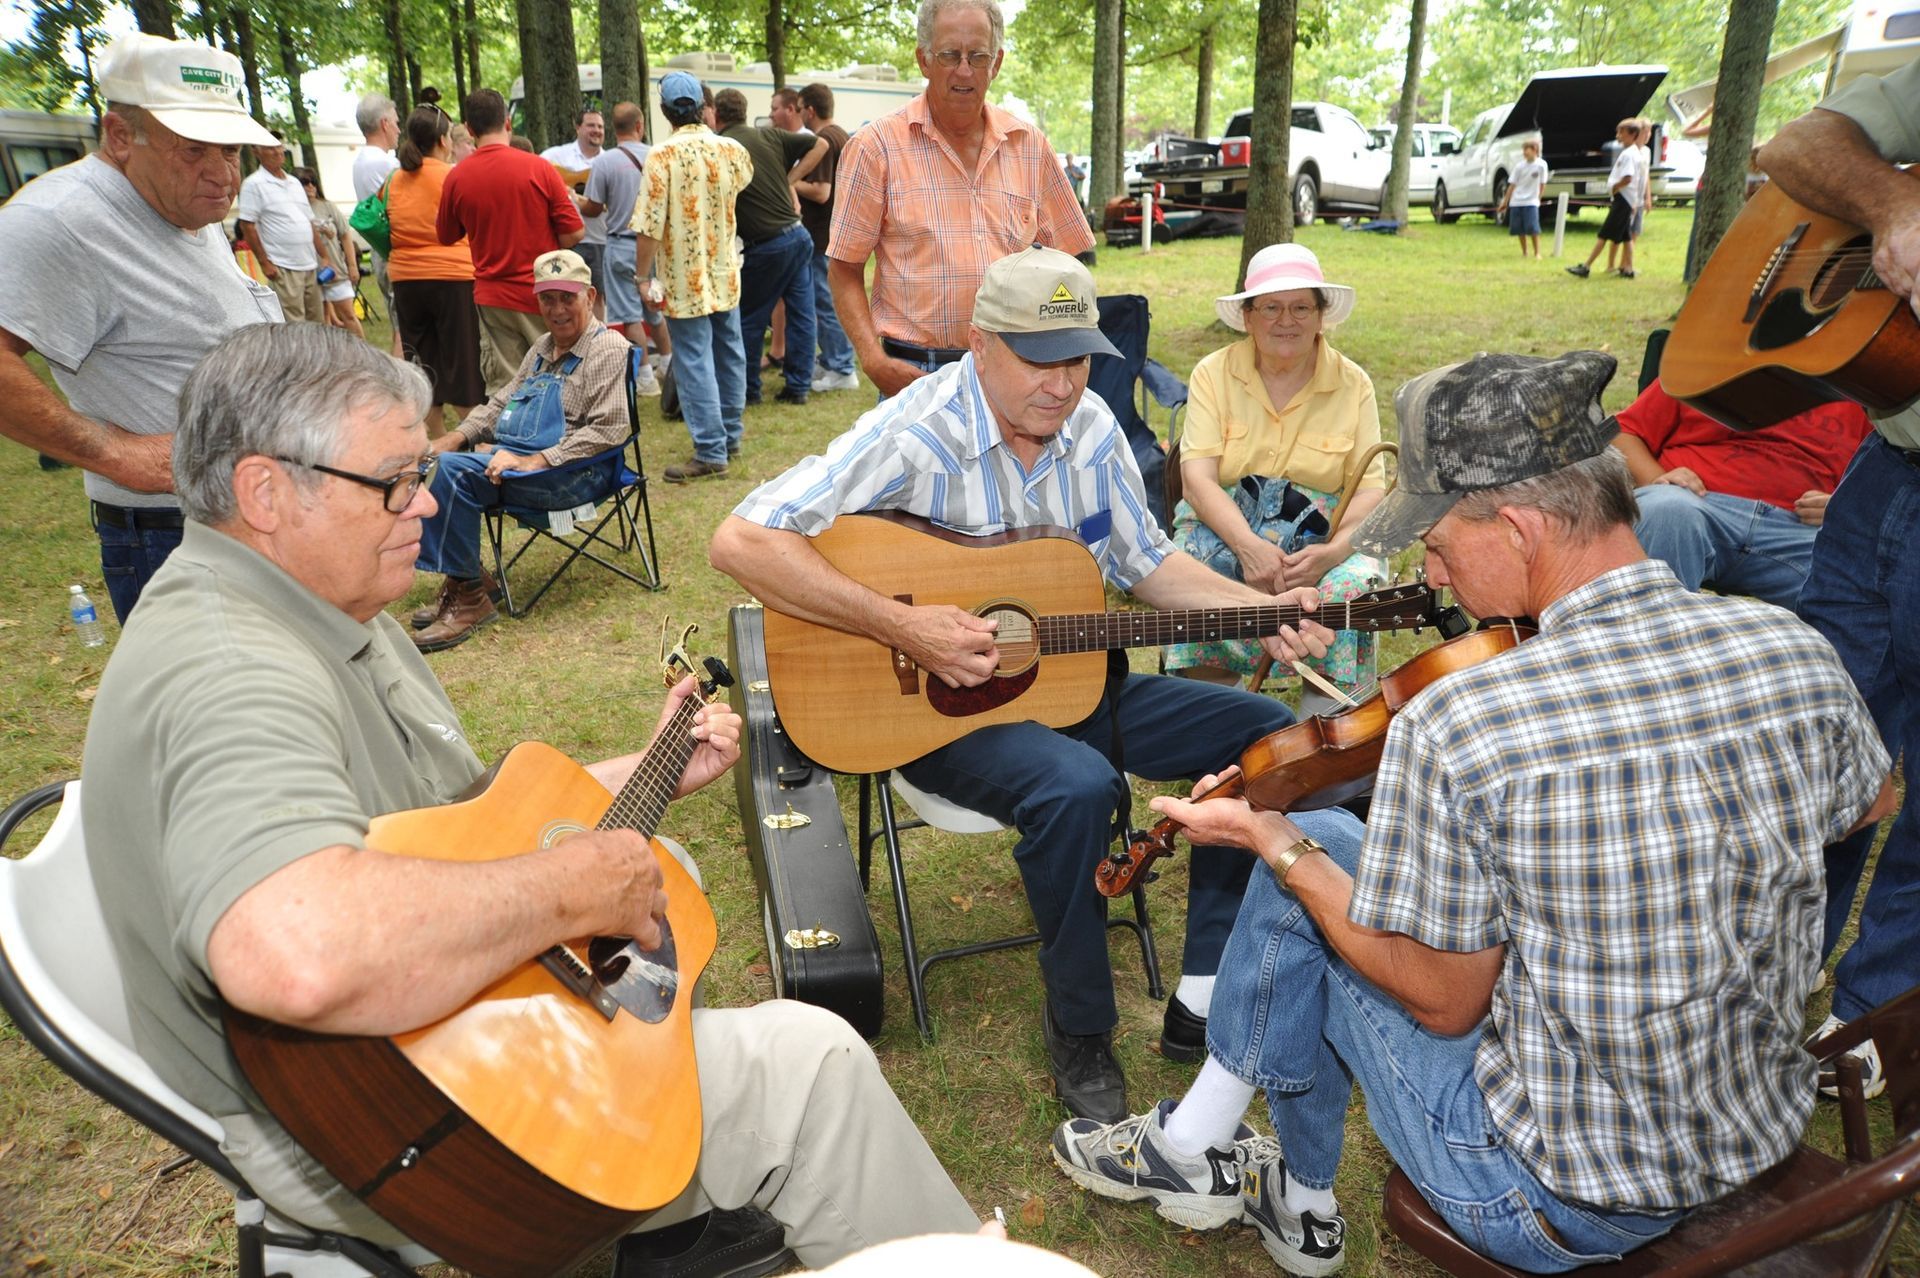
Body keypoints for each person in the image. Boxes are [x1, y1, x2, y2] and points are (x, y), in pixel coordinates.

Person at [80, 319, 981, 1271]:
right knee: (815, 1065)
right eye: (393, 482)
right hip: (375, 1117)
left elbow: (461, 825)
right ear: (265, 492)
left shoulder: (314, 600)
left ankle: (667, 1201)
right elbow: (296, 954)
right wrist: (572, 889)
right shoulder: (231, 670)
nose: (425, 505)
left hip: (405, 1060)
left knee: (662, 907)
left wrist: (645, 773)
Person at [1052, 350, 1894, 1276]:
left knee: (1308, 873)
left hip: (1553, 1196)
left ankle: (1238, 1173)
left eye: (1441, 546)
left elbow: (1445, 1002)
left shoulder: (1466, 720)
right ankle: (1254, 1179)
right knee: (1336, 843)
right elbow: (1872, 800)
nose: (1437, 579)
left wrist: (1271, 842)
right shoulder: (1787, 646)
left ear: (1523, 528)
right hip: (1748, 1134)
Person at [710, 247, 1327, 1124]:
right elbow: (741, 542)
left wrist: (1255, 609)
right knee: (1079, 786)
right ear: (980, 345)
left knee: (1267, 734)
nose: (1063, 384)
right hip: (937, 718)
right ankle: (1081, 1029)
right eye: (1040, 359)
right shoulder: (916, 433)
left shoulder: (1094, 429)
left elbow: (1147, 565)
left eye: (1078, 359)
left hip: (1073, 684)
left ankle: (1204, 983)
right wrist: (906, 626)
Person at [1760, 57, 1920, 1098]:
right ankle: (1766, 981)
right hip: (1885, 473)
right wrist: (1893, 203)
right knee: (1819, 746)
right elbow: (1792, 147)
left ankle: (1874, 1022)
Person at [0, 32, 281, 624]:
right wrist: (113, 452)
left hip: (249, 513)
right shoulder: (59, 221)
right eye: (194, 149)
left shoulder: (182, 206)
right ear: (121, 137)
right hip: (171, 534)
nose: (222, 174)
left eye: (230, 150)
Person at [827, 0, 1095, 398]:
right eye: (950, 55)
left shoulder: (1029, 146)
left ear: (997, 63)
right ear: (924, 59)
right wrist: (873, 359)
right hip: (917, 372)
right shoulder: (874, 148)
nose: (964, 70)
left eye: (978, 55)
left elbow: (1068, 260)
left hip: (1014, 368)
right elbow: (844, 268)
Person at [1164, 244, 1388, 709]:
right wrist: (1248, 547)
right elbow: (1197, 481)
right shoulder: (1213, 373)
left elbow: (1370, 490)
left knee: (1346, 592)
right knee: (1193, 573)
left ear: (1321, 316)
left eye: (1301, 307)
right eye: (1270, 307)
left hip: (1319, 540)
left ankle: (1324, 735)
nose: (1286, 320)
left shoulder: (1353, 384)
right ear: (1248, 317)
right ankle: (1210, 723)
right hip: (1224, 528)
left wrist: (1331, 553)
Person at [409, 249, 627, 651]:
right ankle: (469, 579)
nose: (557, 309)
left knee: (455, 472)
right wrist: (455, 438)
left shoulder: (607, 348)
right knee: (440, 461)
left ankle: (471, 596)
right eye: (547, 298)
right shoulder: (542, 347)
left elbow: (610, 430)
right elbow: (500, 403)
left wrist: (536, 459)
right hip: (519, 467)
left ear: (590, 296)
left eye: (568, 297)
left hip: (574, 475)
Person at [1610, 377, 1871, 611]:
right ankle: (1650, 652)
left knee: (1867, 583)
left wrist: (1846, 505)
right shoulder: (1703, 364)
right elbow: (1622, 434)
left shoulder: (1858, 390)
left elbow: (1888, 479)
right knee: (1665, 509)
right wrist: (1656, 478)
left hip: (1797, 530)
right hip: (1695, 505)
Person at [633, 72, 753, 483]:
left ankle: (711, 450)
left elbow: (649, 225)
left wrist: (641, 278)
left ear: (665, 111)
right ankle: (730, 438)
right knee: (730, 353)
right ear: (705, 106)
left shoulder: (661, 157)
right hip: (724, 271)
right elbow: (741, 186)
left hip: (683, 278)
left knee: (695, 359)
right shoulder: (732, 150)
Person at [438, 88, 585, 396]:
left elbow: (447, 234)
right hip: (543, 292)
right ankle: (554, 440)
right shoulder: (539, 168)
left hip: (493, 298)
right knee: (554, 375)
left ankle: (510, 443)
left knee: (505, 389)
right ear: (507, 122)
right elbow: (574, 232)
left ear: (470, 128)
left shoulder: (456, 176)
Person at [713, 88, 828, 409]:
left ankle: (748, 390)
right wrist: (790, 180)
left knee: (749, 318)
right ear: (745, 111)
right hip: (798, 235)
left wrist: (789, 179)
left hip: (767, 245)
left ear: (717, 116)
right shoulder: (769, 136)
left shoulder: (723, 147)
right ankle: (798, 386)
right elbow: (821, 144)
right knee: (803, 314)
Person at [386, 104, 486, 439]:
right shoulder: (452, 175)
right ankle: (473, 435)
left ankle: (438, 438)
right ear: (444, 139)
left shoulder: (394, 179)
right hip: (453, 277)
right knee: (463, 362)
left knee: (425, 362)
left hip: (406, 281)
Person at [580, 100, 666, 393]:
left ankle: (645, 377)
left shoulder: (605, 162)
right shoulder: (659, 156)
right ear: (640, 126)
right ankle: (668, 363)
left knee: (630, 315)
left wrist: (576, 200)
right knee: (655, 309)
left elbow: (592, 209)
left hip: (620, 246)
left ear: (614, 129)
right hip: (655, 247)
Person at [797, 82, 860, 392]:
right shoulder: (842, 135)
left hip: (822, 236)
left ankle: (842, 368)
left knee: (826, 303)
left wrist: (786, 184)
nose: (799, 116)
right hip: (837, 234)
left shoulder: (823, 140)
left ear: (810, 110)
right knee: (832, 301)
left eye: (799, 109)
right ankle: (834, 360)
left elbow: (821, 192)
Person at [238, 131, 328, 323]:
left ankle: (317, 355)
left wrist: (325, 256)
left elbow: (308, 222)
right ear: (257, 151)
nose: (277, 151)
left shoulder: (295, 183)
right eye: (270, 147)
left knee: (317, 324)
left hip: (309, 264)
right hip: (284, 266)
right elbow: (247, 225)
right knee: (294, 326)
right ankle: (297, 355)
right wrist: (265, 263)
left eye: (279, 146)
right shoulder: (254, 184)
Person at [542, 108, 610, 312]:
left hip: (599, 240)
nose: (596, 130)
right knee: (567, 294)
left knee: (597, 295)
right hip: (567, 239)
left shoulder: (608, 161)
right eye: (591, 125)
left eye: (600, 126)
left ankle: (596, 339)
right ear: (578, 127)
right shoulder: (555, 157)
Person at [296, 167, 365, 340]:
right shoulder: (294, 211)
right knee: (319, 322)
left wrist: (352, 266)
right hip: (309, 274)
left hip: (335, 271)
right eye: (304, 183)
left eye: (313, 182)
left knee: (348, 315)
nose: (310, 186)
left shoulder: (327, 207)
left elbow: (345, 236)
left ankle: (365, 353)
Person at [1566, 119, 1641, 279]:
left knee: (1603, 234)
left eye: (1622, 132)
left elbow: (1628, 178)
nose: (1618, 136)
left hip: (1623, 200)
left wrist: (1615, 187)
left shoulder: (1628, 155)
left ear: (1633, 134)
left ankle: (1586, 267)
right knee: (1627, 237)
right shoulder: (1633, 152)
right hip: (1627, 200)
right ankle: (1628, 269)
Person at [1496, 136, 1548, 258]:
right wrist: (1505, 202)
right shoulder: (1519, 166)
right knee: (1519, 229)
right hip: (1517, 201)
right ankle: (1525, 252)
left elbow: (1542, 184)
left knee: (1533, 227)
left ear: (1534, 150)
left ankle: (1537, 253)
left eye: (1527, 149)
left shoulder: (1541, 165)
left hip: (1531, 202)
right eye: (1523, 149)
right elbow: (1512, 185)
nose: (1524, 152)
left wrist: (1538, 198)